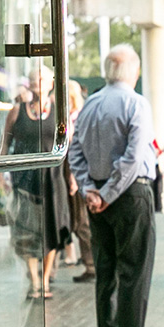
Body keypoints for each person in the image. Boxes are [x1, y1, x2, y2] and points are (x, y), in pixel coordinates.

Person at [68, 44, 162, 327]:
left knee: (105, 275)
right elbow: (134, 156)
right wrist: (106, 193)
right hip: (130, 195)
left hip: (98, 197)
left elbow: (74, 151)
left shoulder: (90, 104)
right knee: (134, 274)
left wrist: (91, 189)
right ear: (134, 71)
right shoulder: (135, 103)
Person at [4, 68, 68, 299]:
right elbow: (5, 146)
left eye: (41, 79)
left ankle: (45, 278)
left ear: (51, 83)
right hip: (24, 180)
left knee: (51, 227)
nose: (36, 82)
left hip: (52, 180)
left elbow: (68, 147)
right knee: (27, 229)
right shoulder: (17, 111)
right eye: (33, 79)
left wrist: (72, 180)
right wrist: (2, 176)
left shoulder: (60, 112)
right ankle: (34, 281)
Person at [63, 80, 94, 281]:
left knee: (82, 222)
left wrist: (74, 178)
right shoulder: (73, 117)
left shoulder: (77, 118)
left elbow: (77, 151)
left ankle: (92, 265)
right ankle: (89, 262)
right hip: (70, 173)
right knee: (77, 221)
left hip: (75, 173)